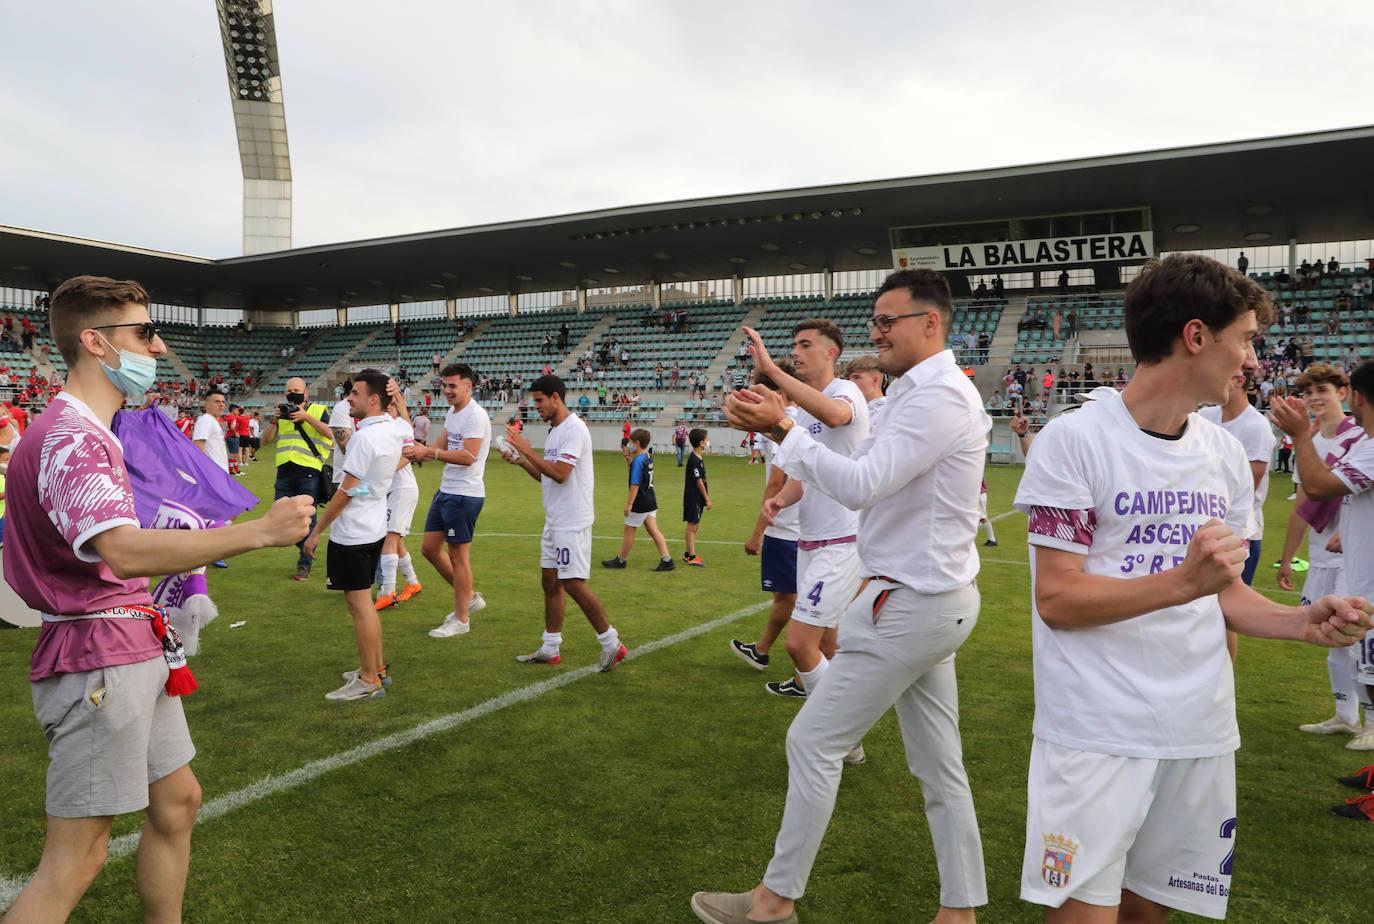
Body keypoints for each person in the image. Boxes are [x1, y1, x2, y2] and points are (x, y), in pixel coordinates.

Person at [1015, 254, 1370, 920]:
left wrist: (1301, 621)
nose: (1253, 360)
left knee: (1152, 912)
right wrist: (1181, 581)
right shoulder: (1074, 441)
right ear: (1197, 336)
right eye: (1245, 340)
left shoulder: (1225, 451)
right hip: (1097, 731)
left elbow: (1224, 593)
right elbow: (1057, 600)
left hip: (1198, 726)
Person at [1, 275, 311, 920]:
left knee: (177, 802)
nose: (157, 345)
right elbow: (122, 550)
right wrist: (256, 532)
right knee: (76, 858)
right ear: (96, 342)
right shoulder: (74, 437)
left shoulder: (90, 430)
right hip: (98, 659)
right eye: (142, 332)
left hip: (128, 646)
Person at [696, 268, 990, 924]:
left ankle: (772, 903)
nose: (876, 332)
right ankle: (960, 911)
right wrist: (783, 422)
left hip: (911, 603)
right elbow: (849, 451)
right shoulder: (914, 394)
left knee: (813, 742)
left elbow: (862, 485)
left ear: (930, 323)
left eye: (889, 321)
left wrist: (784, 431)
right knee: (940, 769)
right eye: (875, 321)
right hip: (929, 599)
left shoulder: (940, 397)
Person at [738, 318, 869, 702]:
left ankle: (838, 726)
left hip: (841, 541)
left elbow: (837, 416)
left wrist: (772, 369)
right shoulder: (808, 412)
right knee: (828, 642)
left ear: (831, 353)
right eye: (794, 344)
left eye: (805, 345)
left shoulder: (844, 391)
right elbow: (805, 474)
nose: (796, 351)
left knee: (798, 643)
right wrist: (780, 499)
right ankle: (848, 731)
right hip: (809, 540)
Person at [501, 374, 627, 671]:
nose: (537, 407)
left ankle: (612, 644)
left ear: (556, 398)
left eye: (540, 401)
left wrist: (528, 449)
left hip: (572, 520)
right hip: (555, 519)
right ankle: (550, 647)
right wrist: (522, 461)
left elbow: (561, 474)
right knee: (550, 582)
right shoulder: (556, 430)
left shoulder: (574, 428)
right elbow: (548, 475)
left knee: (572, 582)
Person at [1274, 364, 1368, 737]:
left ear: (1343, 393)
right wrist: (1287, 558)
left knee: (1354, 633)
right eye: (1309, 391)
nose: (1315, 397)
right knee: (1333, 636)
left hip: (1355, 552)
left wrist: (1348, 532)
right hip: (1320, 551)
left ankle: (1370, 722)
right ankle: (1345, 715)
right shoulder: (1308, 440)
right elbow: (1303, 502)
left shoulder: (1362, 436)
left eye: (1323, 390)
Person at [302, 371, 404, 700]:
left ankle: (369, 679)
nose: (349, 398)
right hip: (372, 525)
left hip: (354, 532)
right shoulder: (391, 428)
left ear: (373, 399)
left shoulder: (366, 437)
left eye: (356, 394)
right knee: (363, 605)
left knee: (360, 605)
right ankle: (374, 668)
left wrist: (316, 531)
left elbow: (344, 493)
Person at [406, 363, 490, 638]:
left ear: (469, 386)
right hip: (446, 490)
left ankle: (462, 618)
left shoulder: (475, 416)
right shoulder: (453, 413)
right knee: (430, 549)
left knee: (458, 557)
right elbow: (439, 446)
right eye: (445, 385)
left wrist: (432, 454)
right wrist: (417, 451)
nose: (448, 391)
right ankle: (470, 597)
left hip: (464, 494)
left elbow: (468, 456)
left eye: (453, 385)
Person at [733, 364, 800, 673]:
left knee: (787, 596)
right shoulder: (802, 421)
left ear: (778, 393)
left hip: (786, 526)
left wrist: (757, 532)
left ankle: (764, 652)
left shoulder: (783, 428)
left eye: (760, 394)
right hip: (804, 524)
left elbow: (777, 482)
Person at [261, 376, 334, 581]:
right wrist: (275, 420)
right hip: (284, 470)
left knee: (308, 518)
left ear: (305, 392)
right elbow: (265, 441)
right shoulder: (281, 413)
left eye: (296, 389)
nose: (292, 393)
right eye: (289, 390)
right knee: (279, 516)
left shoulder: (319, 410)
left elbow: (331, 434)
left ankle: (304, 564)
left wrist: (306, 417)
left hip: (309, 469)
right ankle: (308, 547)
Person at [373, 382, 423, 611]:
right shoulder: (386, 425)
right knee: (397, 540)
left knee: (388, 539)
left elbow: (409, 454)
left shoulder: (400, 425)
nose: (391, 405)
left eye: (394, 402)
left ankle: (388, 592)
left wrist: (383, 473)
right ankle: (412, 583)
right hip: (396, 489)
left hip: (402, 488)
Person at [602, 428, 675, 572]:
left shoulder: (638, 461)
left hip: (641, 501)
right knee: (653, 530)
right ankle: (667, 559)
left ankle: (621, 560)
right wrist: (629, 460)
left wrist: (629, 505)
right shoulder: (647, 456)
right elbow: (640, 474)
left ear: (636, 443)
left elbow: (635, 484)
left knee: (629, 530)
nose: (628, 444)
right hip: (650, 498)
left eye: (630, 442)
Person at [683, 428, 711, 567]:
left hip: (697, 497)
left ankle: (688, 553)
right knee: (692, 525)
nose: (708, 442)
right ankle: (691, 556)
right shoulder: (694, 459)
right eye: (706, 439)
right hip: (693, 497)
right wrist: (707, 499)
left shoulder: (698, 457)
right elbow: (698, 481)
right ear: (701, 442)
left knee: (696, 525)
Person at [192, 391, 229, 474]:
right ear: (207, 405)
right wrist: (207, 468)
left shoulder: (212, 421)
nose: (221, 405)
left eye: (223, 402)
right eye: (217, 401)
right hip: (213, 473)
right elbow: (198, 444)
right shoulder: (206, 420)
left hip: (220, 471)